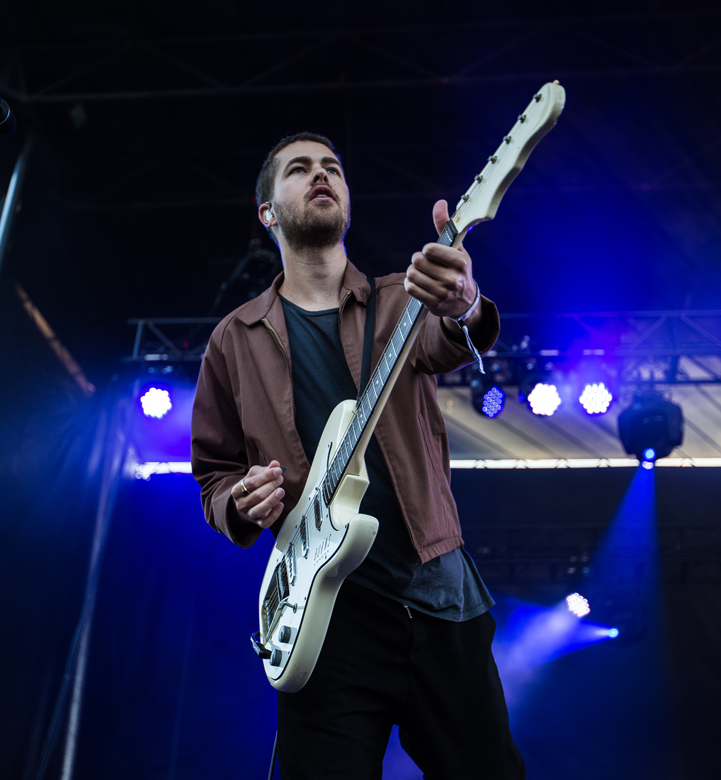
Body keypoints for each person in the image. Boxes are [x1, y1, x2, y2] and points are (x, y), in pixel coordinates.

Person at [190, 132, 524, 779]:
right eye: (299, 169)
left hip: (436, 595)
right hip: (324, 615)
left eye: (333, 168)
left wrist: (464, 304)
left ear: (347, 198)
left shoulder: (404, 297)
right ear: (267, 212)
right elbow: (213, 474)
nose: (321, 175)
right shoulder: (233, 339)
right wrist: (238, 499)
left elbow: (454, 334)